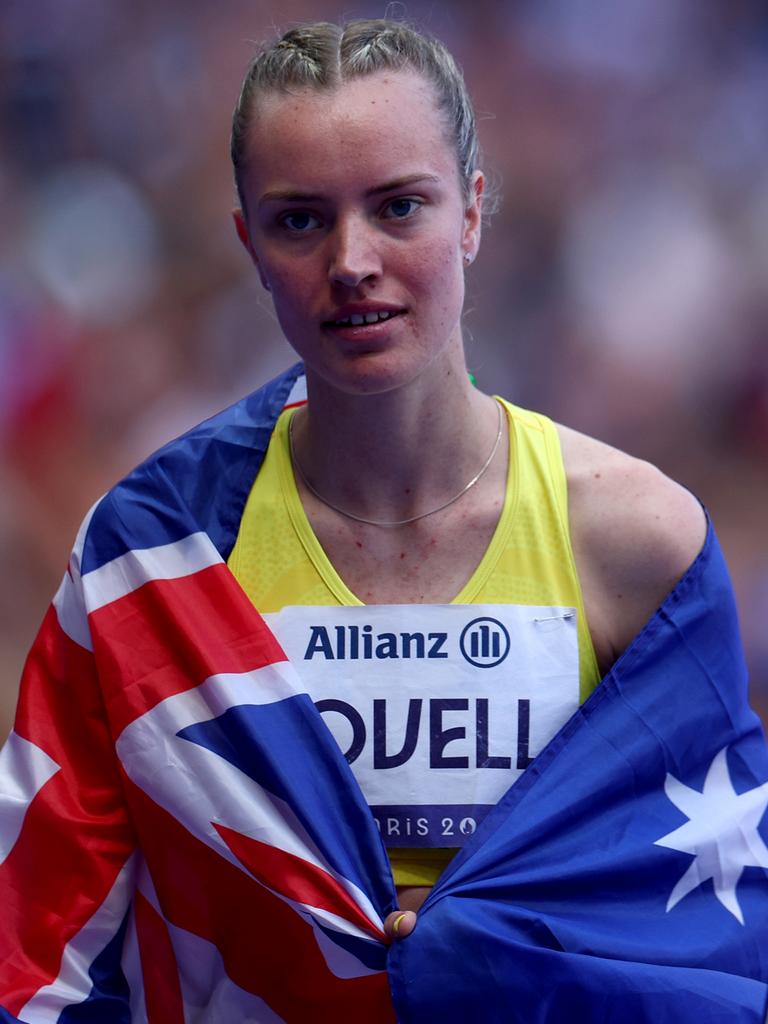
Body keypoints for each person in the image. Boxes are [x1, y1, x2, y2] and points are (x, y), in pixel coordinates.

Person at [1, 18, 767, 1024]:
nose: (352, 260)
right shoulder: (152, 557)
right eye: (301, 220)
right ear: (247, 241)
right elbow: (46, 945)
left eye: (399, 206)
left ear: (474, 213)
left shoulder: (635, 543)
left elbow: (704, 941)